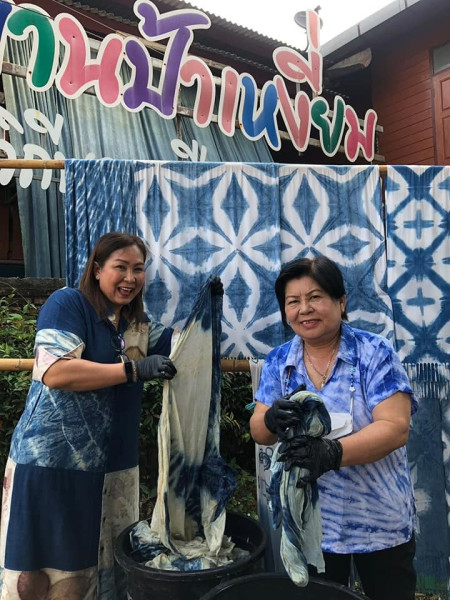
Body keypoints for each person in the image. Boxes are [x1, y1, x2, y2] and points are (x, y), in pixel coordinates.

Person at [0, 232, 181, 600]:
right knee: (42, 575)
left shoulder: (137, 326)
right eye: (120, 267)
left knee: (103, 571)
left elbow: (188, 345)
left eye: (138, 269)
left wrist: (215, 310)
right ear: (97, 269)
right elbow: (56, 371)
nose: (130, 278)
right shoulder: (68, 304)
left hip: (114, 469)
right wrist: (133, 370)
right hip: (53, 465)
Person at [250, 256, 417, 600]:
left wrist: (332, 453)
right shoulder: (280, 361)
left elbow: (395, 427)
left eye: (315, 297)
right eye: (293, 301)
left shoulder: (374, 353)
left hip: (379, 519)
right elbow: (260, 432)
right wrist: (269, 419)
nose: (304, 309)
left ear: (341, 302)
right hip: (312, 525)